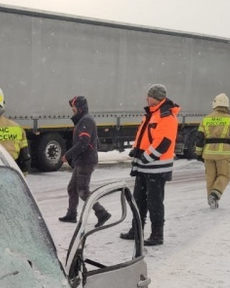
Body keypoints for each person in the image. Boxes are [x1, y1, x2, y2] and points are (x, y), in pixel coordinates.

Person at [120, 84, 179, 246]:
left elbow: (163, 143)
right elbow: (143, 136)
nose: (147, 98)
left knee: (154, 203)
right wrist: (136, 150)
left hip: (157, 168)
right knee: (138, 201)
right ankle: (136, 230)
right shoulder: (152, 114)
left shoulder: (166, 116)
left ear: (157, 98)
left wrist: (145, 157)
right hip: (145, 167)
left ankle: (157, 235)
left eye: (150, 96)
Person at [58, 95, 111, 227]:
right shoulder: (83, 119)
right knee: (72, 188)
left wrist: (68, 155)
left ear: (80, 107)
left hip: (86, 161)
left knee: (83, 191)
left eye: (74, 106)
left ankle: (102, 213)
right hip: (82, 160)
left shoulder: (86, 120)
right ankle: (71, 214)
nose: (72, 109)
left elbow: (83, 142)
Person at [195, 93, 230, 209]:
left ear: (215, 104)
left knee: (210, 178)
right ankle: (215, 195)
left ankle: (211, 201)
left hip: (208, 154)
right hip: (223, 154)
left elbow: (199, 138)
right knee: (224, 175)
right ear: (227, 105)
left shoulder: (206, 119)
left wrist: (198, 153)